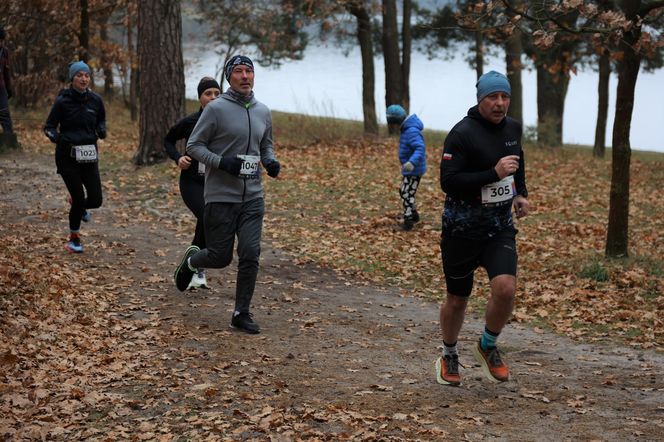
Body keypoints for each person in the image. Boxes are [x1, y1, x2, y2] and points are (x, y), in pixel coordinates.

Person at [434, 71, 530, 386]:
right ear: (480, 99)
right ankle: (449, 353)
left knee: (505, 289)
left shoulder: (513, 128)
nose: (500, 103)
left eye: (505, 97)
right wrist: (492, 172)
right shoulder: (461, 134)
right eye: (493, 97)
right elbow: (448, 182)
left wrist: (520, 193)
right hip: (461, 231)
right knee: (457, 299)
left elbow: (518, 163)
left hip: (498, 229)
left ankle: (487, 346)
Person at [173, 55, 281, 334]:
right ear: (229, 77)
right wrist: (222, 162)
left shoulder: (263, 111)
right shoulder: (216, 109)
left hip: (253, 197)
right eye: (239, 72)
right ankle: (192, 261)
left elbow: (266, 146)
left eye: (249, 71)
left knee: (250, 253)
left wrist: (270, 161)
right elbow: (194, 147)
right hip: (221, 196)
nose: (245, 76)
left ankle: (240, 312)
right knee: (221, 257)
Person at [164, 76, 221, 289]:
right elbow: (168, 139)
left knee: (207, 219)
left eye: (217, 93)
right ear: (200, 98)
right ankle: (196, 266)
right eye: (208, 94)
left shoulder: (225, 122)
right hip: (191, 182)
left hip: (215, 183)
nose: (213, 98)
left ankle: (192, 264)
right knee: (207, 215)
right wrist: (178, 157)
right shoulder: (190, 122)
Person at [44, 61, 106, 253]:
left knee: (95, 200)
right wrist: (57, 138)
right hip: (67, 156)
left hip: (89, 156)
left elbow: (101, 119)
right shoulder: (63, 101)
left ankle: (77, 205)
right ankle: (74, 239)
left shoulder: (96, 100)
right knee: (79, 198)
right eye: (79, 75)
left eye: (86, 75)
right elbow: (49, 127)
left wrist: (101, 129)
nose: (83, 78)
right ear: (72, 78)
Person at [386, 104, 426, 231]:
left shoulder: (411, 131)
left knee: (406, 192)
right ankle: (413, 214)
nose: (394, 127)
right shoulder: (407, 129)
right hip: (409, 169)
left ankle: (408, 220)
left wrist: (411, 163)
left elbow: (420, 148)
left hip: (414, 169)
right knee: (405, 191)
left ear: (397, 121)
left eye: (393, 124)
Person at [0, 25, 17, 148]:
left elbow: (6, 71)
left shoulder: (4, 52)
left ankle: (9, 143)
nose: (1, 42)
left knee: (5, 114)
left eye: (2, 40)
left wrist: (9, 88)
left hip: (1, 88)